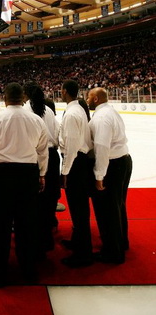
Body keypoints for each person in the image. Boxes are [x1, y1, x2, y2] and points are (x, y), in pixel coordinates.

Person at [0, 82, 49, 286]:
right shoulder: (36, 120)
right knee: (27, 223)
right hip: (27, 174)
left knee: (0, 224)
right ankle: (28, 268)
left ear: (5, 98)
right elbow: (42, 151)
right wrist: (41, 174)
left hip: (0, 175)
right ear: (23, 97)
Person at [87, 87, 133, 264]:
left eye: (89, 97)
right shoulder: (110, 112)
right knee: (117, 205)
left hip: (112, 164)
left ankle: (113, 252)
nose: (87, 99)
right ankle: (121, 242)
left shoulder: (101, 117)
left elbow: (102, 147)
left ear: (96, 99)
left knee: (108, 210)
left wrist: (99, 175)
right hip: (122, 160)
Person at [59, 80, 94, 268]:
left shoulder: (72, 113)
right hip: (79, 161)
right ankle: (78, 242)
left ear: (64, 92)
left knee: (79, 208)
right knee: (78, 208)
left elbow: (71, 145)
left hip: (75, 162)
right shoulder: (79, 109)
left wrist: (65, 171)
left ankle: (83, 253)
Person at [23, 81, 61, 253]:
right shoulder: (49, 111)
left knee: (35, 201)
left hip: (36, 157)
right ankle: (47, 238)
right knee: (49, 199)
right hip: (52, 156)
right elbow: (57, 134)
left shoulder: (25, 111)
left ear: (26, 95)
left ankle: (35, 239)